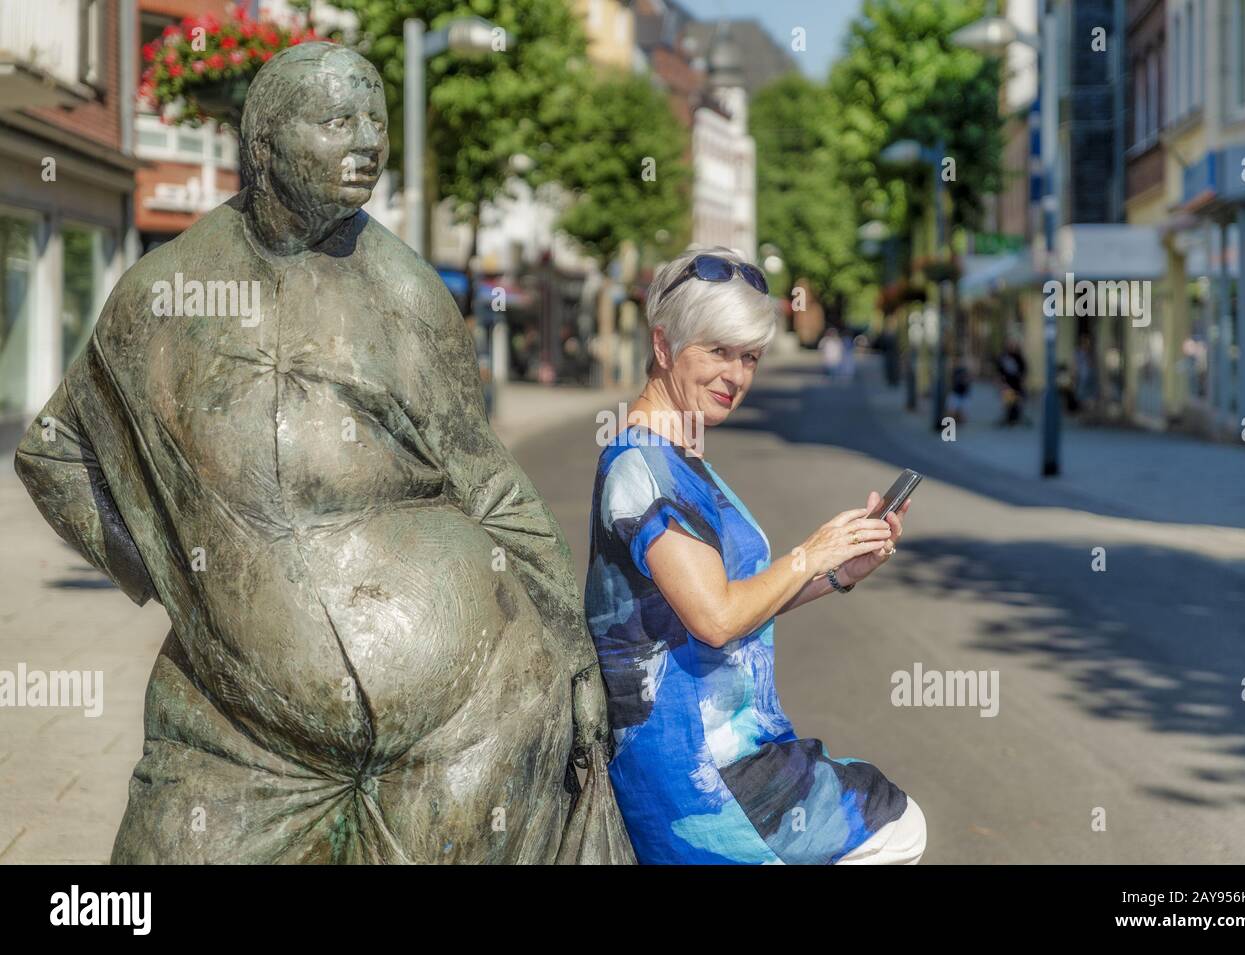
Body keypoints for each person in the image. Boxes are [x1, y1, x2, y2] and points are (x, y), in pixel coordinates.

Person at [14, 42, 631, 864]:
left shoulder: (408, 292)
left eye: (377, 119)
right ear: (261, 143)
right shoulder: (163, 292)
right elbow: (55, 455)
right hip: (235, 736)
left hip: (465, 720)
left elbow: (492, 488)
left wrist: (576, 651)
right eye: (339, 120)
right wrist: (178, 576)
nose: (369, 141)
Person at [584, 247, 927, 865]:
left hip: (742, 751)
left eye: (749, 357)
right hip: (702, 773)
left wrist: (837, 571)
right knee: (892, 823)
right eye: (717, 351)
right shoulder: (643, 468)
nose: (736, 376)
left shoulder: (683, 461)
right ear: (663, 346)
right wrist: (808, 553)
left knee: (887, 814)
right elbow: (715, 618)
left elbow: (737, 598)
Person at [997, 338, 1028, 426]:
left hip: (1017, 384)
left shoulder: (1018, 357)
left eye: (1012, 345)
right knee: (1008, 402)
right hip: (1007, 383)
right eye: (1009, 345)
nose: (1011, 347)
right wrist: (1000, 381)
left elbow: (1024, 369)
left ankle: (1015, 417)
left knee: (1017, 402)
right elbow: (999, 370)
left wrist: (1022, 380)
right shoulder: (1003, 357)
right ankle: (1009, 418)